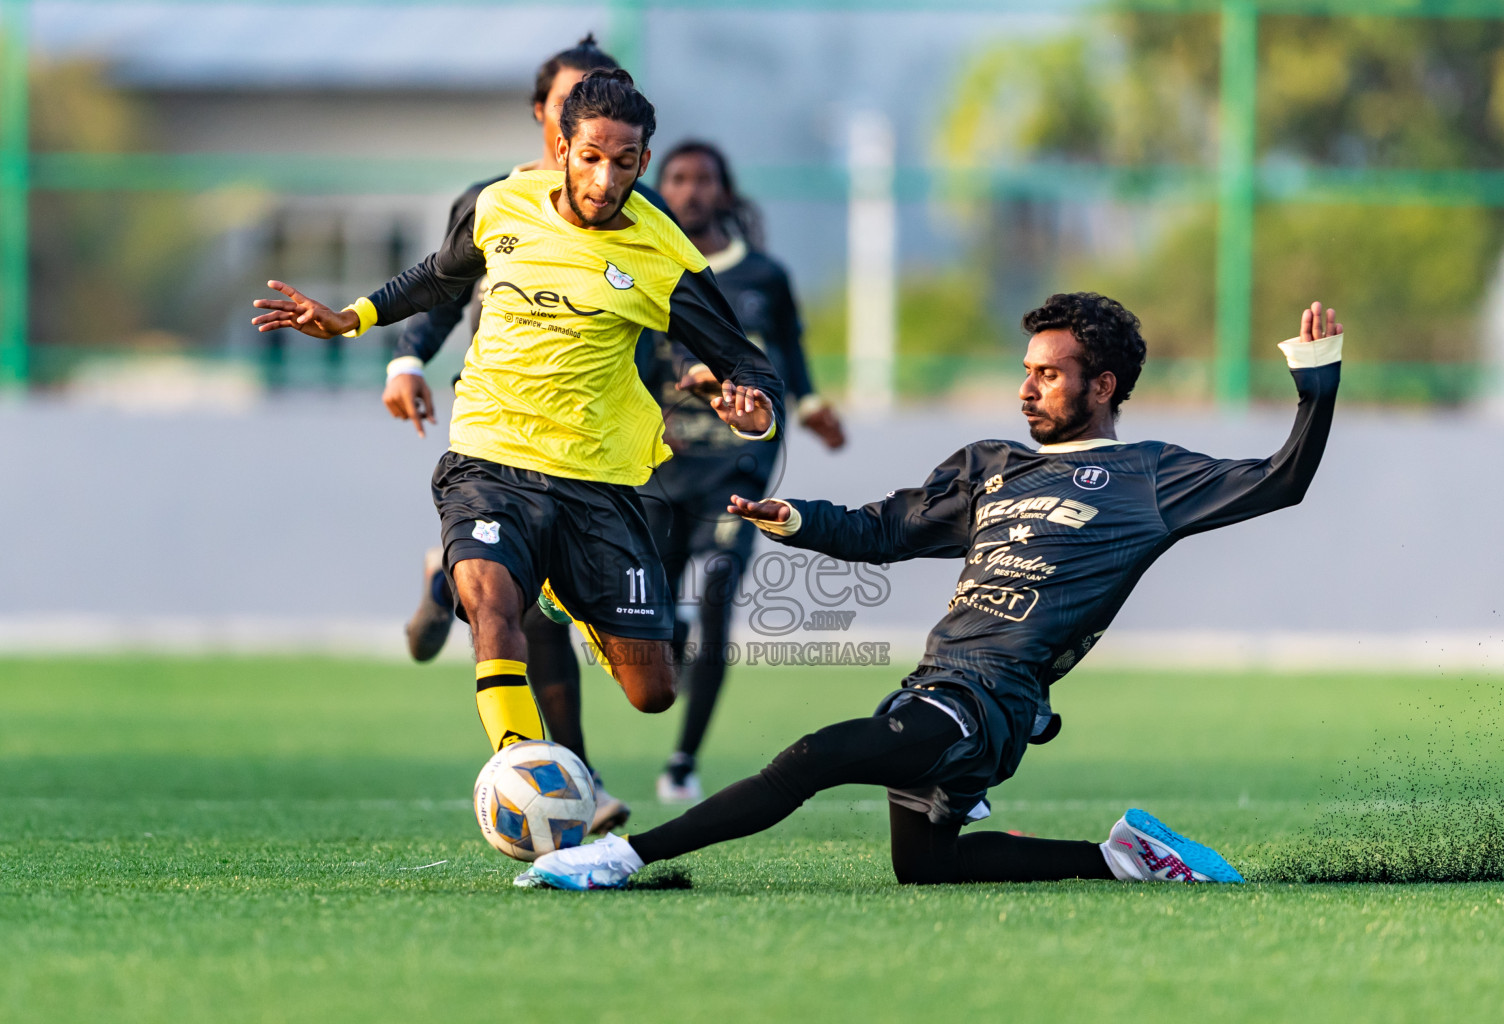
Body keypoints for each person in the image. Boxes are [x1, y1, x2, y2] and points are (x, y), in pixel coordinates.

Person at [517, 295, 1344, 890]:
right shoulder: (992, 464)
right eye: (1026, 372)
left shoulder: (1149, 477)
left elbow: (1283, 480)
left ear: (1103, 386)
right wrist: (796, 518)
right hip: (936, 685)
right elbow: (886, 529)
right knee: (927, 868)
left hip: (992, 705)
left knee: (816, 756)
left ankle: (622, 860)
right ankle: (1117, 858)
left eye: (1050, 376)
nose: (1028, 388)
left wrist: (1316, 384)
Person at [251, 71, 784, 796]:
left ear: (643, 163)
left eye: (624, 162)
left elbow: (745, 360)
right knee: (495, 611)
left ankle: (562, 591)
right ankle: (529, 775)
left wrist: (757, 410)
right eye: (592, 156)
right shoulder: (502, 206)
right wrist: (354, 317)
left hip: (598, 478)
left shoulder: (664, 256)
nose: (605, 178)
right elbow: (439, 277)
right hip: (489, 458)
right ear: (561, 147)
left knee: (652, 691)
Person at [383, 35, 668, 833]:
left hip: (600, 437)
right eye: (570, 102)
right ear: (548, 116)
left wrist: (700, 379)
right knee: (527, 616)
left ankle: (448, 581)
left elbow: (674, 307)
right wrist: (404, 363)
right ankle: (568, 776)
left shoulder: (639, 214)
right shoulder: (494, 198)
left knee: (625, 655)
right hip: (507, 440)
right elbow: (440, 288)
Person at [638, 140, 846, 803]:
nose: (691, 190)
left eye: (704, 180)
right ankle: (674, 649)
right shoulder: (647, 266)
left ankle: (683, 759)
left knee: (722, 588)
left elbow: (788, 352)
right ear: (660, 187)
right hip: (664, 466)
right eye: (677, 178)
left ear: (726, 194)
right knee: (661, 618)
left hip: (740, 462)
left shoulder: (764, 277)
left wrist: (810, 406)